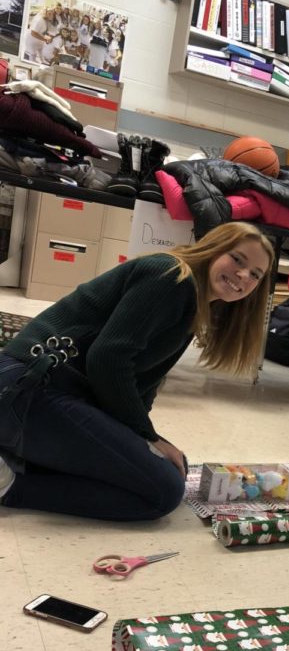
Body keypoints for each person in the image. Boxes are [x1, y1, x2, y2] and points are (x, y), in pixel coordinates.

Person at [0, 222, 274, 522]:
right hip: (28, 390)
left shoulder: (193, 302)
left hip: (47, 394)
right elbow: (108, 358)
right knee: (162, 491)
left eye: (256, 275)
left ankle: (18, 459)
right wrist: (146, 436)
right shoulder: (172, 276)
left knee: (171, 466)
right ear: (213, 249)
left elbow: (144, 382)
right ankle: (10, 485)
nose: (243, 276)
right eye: (237, 259)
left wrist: (146, 438)